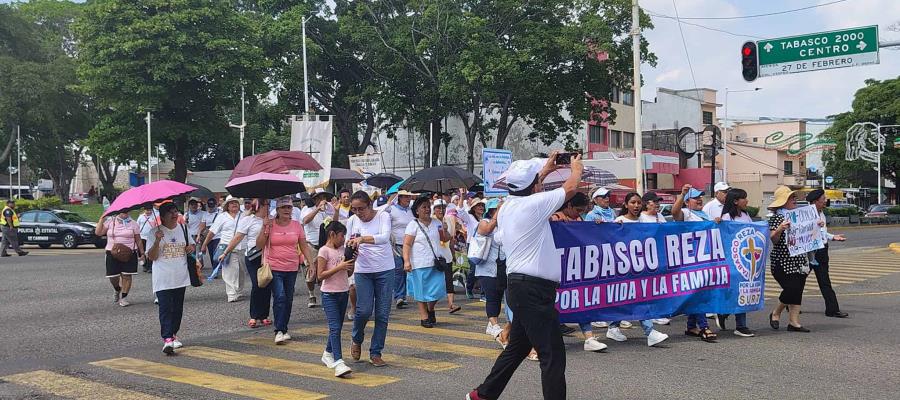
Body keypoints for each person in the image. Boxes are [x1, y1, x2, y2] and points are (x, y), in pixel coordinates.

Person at [466, 151, 582, 400]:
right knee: (552, 355)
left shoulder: (508, 205)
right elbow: (571, 187)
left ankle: (483, 394)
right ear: (534, 186)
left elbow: (529, 185)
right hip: (533, 290)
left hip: (522, 287)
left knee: (517, 348)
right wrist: (576, 167)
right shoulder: (534, 204)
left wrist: (547, 170)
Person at [605, 193, 670, 347]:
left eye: (639, 203)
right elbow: (608, 241)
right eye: (633, 202)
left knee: (632, 298)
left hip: (642, 268)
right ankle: (649, 332)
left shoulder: (644, 221)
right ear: (626, 205)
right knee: (636, 298)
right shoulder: (619, 221)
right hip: (624, 269)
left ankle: (613, 327)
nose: (636, 206)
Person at [548, 192, 608, 353]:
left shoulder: (579, 219)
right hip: (555, 269)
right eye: (578, 210)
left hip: (575, 269)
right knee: (551, 304)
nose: (580, 213)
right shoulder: (554, 218)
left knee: (581, 301)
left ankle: (589, 338)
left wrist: (594, 225)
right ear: (568, 206)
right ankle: (509, 332)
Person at [256, 196, 317, 344]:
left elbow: (303, 245)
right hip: (274, 266)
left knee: (288, 299)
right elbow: (259, 245)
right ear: (277, 209)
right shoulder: (270, 224)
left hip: (291, 267)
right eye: (283, 207)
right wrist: (264, 228)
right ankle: (279, 330)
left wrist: (311, 263)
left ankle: (284, 328)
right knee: (280, 297)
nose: (286, 210)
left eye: (289, 207)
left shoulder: (296, 225)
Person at [345, 190, 394, 367]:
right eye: (354, 209)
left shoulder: (382, 216)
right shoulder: (351, 221)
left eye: (361, 209)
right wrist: (351, 251)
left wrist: (362, 239)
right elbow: (347, 243)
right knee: (364, 310)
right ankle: (356, 338)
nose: (358, 213)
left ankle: (376, 352)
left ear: (370, 205)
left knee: (382, 313)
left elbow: (384, 237)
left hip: (385, 269)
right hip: (363, 270)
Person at [146, 202, 196, 355]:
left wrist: (190, 248)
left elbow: (191, 246)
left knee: (177, 309)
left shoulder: (183, 228)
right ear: (162, 216)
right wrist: (157, 241)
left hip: (180, 275)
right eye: (171, 213)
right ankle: (167, 339)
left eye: (176, 212)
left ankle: (173, 334)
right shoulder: (154, 232)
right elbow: (152, 257)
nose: (175, 215)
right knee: (166, 308)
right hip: (163, 277)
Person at [671, 184, 717, 342]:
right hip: (690, 260)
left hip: (705, 258)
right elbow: (674, 213)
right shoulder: (686, 213)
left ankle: (691, 326)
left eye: (700, 197)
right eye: (695, 197)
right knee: (699, 293)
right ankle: (704, 326)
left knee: (698, 292)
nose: (699, 200)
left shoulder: (704, 214)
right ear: (687, 201)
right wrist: (682, 194)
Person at [766, 186, 811, 332]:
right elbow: (773, 239)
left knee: (798, 291)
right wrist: (780, 228)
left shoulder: (799, 216)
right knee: (791, 288)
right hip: (782, 261)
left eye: (794, 197)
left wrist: (816, 226)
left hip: (800, 260)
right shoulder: (776, 218)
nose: (794, 200)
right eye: (791, 198)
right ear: (783, 201)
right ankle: (776, 312)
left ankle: (794, 322)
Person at [222, 198, 271, 328]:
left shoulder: (272, 219)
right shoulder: (248, 220)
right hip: (253, 256)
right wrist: (226, 252)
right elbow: (238, 237)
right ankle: (254, 315)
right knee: (257, 284)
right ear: (259, 206)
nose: (268, 206)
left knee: (267, 284)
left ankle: (264, 315)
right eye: (266, 204)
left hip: (268, 257)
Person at [714, 188, 756, 337]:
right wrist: (718, 223)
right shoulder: (726, 217)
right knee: (737, 290)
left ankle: (726, 314)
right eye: (744, 198)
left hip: (745, 259)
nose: (747, 201)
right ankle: (739, 324)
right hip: (732, 260)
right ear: (736, 201)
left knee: (744, 289)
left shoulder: (746, 215)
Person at [403, 195, 450, 328]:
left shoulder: (437, 223)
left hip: (436, 263)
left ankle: (431, 308)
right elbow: (407, 244)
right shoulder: (413, 225)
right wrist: (406, 261)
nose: (427, 209)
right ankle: (424, 317)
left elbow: (444, 239)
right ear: (417, 210)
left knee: (438, 290)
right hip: (419, 263)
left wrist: (445, 230)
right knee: (421, 292)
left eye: (428, 207)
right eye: (424, 207)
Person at [317, 221, 355, 377]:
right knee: (335, 327)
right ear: (332, 234)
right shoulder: (324, 251)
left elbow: (348, 274)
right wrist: (339, 267)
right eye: (341, 235)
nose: (343, 238)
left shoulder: (343, 250)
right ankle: (339, 361)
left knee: (337, 326)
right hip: (329, 294)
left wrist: (351, 262)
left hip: (343, 292)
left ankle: (327, 352)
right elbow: (320, 276)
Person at [807, 189, 849, 318]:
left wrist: (832, 237)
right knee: (799, 280)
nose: (825, 201)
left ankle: (832, 309)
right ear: (815, 201)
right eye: (823, 199)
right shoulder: (806, 215)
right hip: (809, 252)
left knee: (824, 280)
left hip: (822, 250)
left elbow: (822, 232)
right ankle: (789, 303)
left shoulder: (822, 213)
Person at [199, 195, 245, 302]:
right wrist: (204, 244)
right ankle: (231, 294)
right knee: (229, 272)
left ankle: (238, 291)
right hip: (227, 248)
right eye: (231, 203)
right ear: (227, 206)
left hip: (242, 247)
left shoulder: (243, 216)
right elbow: (212, 232)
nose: (234, 204)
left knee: (241, 272)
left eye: (236, 202)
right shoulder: (222, 216)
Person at [95, 211, 143, 307]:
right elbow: (98, 233)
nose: (125, 213)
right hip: (112, 252)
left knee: (127, 276)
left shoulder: (133, 223)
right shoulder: (110, 221)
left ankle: (124, 297)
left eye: (127, 210)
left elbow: (138, 239)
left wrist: (142, 253)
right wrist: (101, 219)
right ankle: (117, 289)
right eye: (122, 211)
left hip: (129, 252)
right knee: (113, 277)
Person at [387, 190, 415, 310]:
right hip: (396, 245)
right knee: (398, 270)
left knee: (408, 270)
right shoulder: (392, 210)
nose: (408, 199)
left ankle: (410, 294)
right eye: (406, 197)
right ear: (400, 197)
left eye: (409, 197)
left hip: (410, 245)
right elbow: (382, 212)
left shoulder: (411, 210)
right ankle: (399, 296)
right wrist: (390, 199)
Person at [433, 199, 462, 314]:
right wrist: (441, 231)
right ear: (434, 210)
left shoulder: (449, 220)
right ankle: (430, 305)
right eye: (438, 208)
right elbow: (438, 238)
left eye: (443, 207)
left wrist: (453, 253)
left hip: (447, 254)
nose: (441, 210)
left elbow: (450, 239)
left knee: (449, 280)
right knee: (436, 282)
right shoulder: (431, 221)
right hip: (435, 256)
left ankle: (451, 304)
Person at [196, 198, 221, 267]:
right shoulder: (205, 214)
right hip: (209, 237)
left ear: (216, 205)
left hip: (218, 236)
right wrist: (198, 235)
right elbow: (202, 226)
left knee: (216, 253)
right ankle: (214, 269)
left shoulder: (220, 213)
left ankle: (217, 268)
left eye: (212, 206)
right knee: (210, 253)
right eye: (209, 206)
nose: (210, 208)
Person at [137, 206, 159, 273]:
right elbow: (137, 225)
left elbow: (157, 225)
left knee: (149, 251)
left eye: (150, 210)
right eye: (147, 210)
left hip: (151, 237)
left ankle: (150, 266)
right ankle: (144, 265)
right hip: (143, 236)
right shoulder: (141, 216)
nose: (149, 211)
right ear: (144, 210)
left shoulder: (155, 216)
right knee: (142, 252)